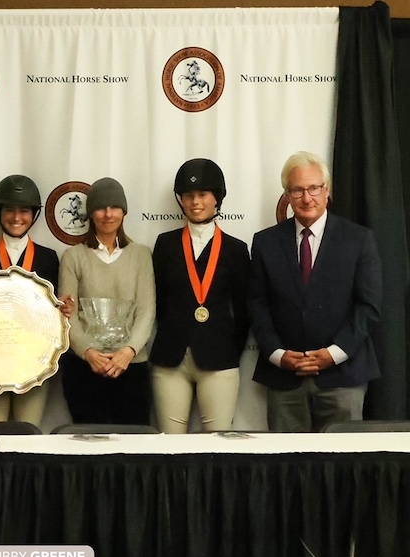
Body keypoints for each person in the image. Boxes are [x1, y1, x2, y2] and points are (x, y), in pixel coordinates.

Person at [249, 151, 382, 432]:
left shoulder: (359, 240)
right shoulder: (265, 242)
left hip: (343, 376)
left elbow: (368, 306)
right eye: (297, 190)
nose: (307, 198)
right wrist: (276, 353)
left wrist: (334, 353)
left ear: (327, 190)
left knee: (343, 469)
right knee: (286, 470)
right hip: (284, 379)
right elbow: (257, 305)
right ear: (286, 194)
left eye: (314, 188)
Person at [150, 159, 250, 433]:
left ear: (217, 198)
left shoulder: (236, 250)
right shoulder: (165, 244)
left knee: (217, 446)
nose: (195, 201)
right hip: (171, 359)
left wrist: (228, 348)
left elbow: (244, 312)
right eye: (189, 195)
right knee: (170, 446)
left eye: (203, 194)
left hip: (219, 360)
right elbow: (157, 302)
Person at [0, 174, 60, 427]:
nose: (16, 218)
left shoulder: (48, 258)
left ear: (34, 214)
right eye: (9, 210)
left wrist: (64, 308)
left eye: (24, 210)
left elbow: (53, 315)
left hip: (33, 363)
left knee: (28, 436)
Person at [58, 177, 155, 424]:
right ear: (91, 213)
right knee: (89, 448)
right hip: (85, 368)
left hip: (131, 366)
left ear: (124, 211)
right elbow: (66, 314)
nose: (108, 214)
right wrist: (88, 352)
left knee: (134, 448)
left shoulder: (141, 255)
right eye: (100, 207)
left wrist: (129, 351)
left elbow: (146, 310)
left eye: (114, 207)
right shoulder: (73, 257)